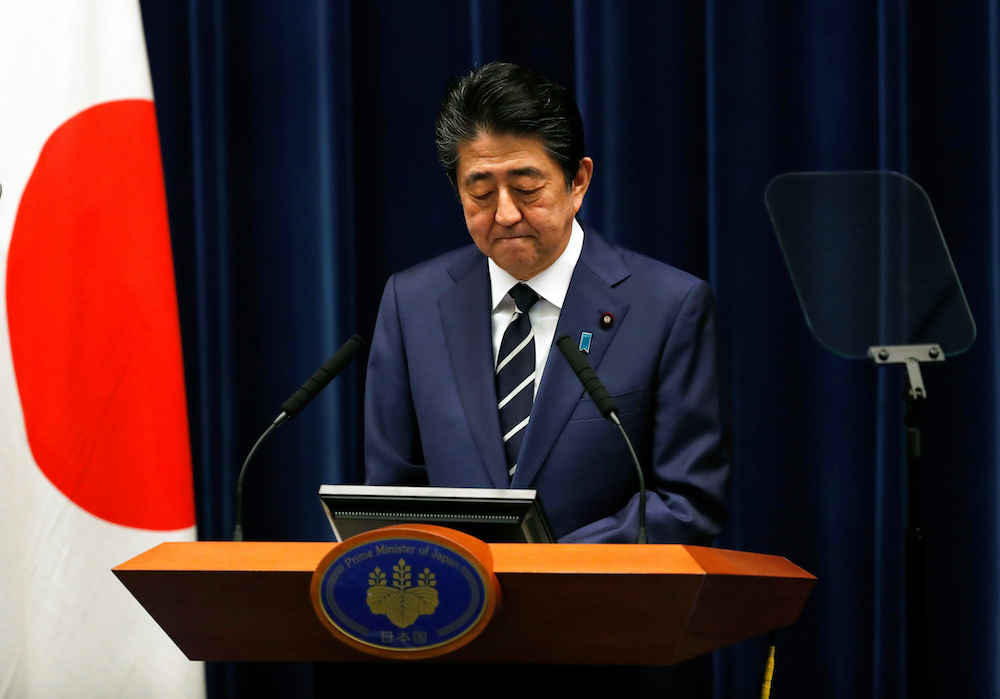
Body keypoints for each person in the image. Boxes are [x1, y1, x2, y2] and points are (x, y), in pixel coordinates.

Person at [363, 61, 730, 546]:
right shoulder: (412, 304)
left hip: (603, 608)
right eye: (480, 191)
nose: (507, 213)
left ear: (577, 181)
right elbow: (390, 496)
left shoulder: (669, 306)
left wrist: (547, 568)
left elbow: (688, 503)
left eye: (527, 188)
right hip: (456, 609)